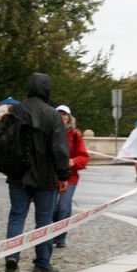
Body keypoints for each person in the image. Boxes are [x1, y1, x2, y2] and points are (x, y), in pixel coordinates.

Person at [4, 73, 69, 272]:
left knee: (16, 216)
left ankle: (12, 257)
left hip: (18, 175)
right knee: (44, 220)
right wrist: (63, 175)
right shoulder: (52, 115)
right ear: (46, 89)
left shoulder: (16, 111)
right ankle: (42, 263)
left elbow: (4, 141)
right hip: (45, 177)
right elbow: (59, 148)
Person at [52, 105, 89, 248]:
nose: (62, 116)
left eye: (64, 114)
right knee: (51, 209)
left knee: (64, 208)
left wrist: (73, 162)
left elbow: (84, 156)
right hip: (52, 176)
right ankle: (51, 235)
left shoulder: (75, 134)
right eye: (59, 114)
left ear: (69, 117)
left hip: (70, 177)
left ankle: (60, 238)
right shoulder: (50, 133)